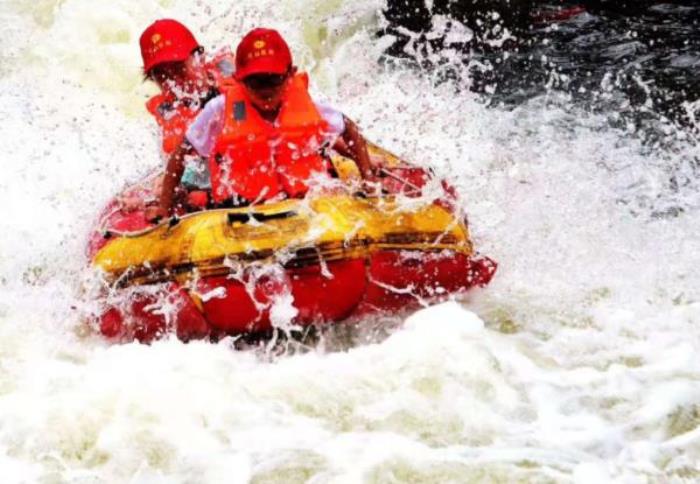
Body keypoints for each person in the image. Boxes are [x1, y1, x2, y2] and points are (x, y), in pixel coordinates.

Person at [149, 28, 375, 220]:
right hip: (244, 208)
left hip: (304, 201)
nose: (265, 90)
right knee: (196, 196)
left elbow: (348, 128)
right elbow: (181, 152)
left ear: (290, 75)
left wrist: (368, 178)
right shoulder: (220, 108)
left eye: (273, 80)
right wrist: (164, 206)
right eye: (256, 82)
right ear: (238, 79)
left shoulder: (306, 104)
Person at [136, 19, 234, 215]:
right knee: (193, 197)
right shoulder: (171, 112)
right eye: (161, 74)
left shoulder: (239, 81)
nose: (172, 79)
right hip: (208, 185)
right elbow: (183, 166)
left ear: (199, 57)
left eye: (177, 67)